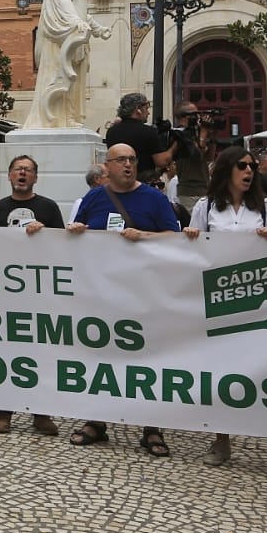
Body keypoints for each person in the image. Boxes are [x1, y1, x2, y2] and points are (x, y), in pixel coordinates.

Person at [184, 146, 267, 476]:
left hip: (259, 295)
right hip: (222, 300)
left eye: (252, 167)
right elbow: (194, 254)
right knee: (224, 373)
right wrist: (191, 236)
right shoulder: (206, 208)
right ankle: (221, 439)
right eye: (242, 166)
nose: (249, 171)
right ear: (226, 170)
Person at [64, 142, 182, 457]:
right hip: (103, 294)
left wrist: (144, 236)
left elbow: (175, 238)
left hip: (145, 295)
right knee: (102, 357)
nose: (128, 164)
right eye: (121, 160)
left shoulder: (155, 199)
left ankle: (151, 428)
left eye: (132, 159)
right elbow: (77, 235)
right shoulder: (94, 198)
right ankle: (97, 421)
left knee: (147, 360)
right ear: (108, 166)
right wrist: (75, 231)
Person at [0, 155, 66, 437]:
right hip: (4, 295)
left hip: (38, 294)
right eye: (18, 169)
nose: (22, 174)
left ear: (35, 178)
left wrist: (47, 233)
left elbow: (62, 247)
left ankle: (41, 414)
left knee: (39, 354)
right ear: (10, 176)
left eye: (28, 170)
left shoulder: (48, 208)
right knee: (6, 353)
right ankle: (3, 411)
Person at [25, 0, 112, 128]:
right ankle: (60, 118)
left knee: (74, 81)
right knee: (63, 77)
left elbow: (80, 10)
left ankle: (69, 117)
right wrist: (75, 22)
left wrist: (98, 28)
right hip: (62, 37)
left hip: (75, 35)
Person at [104, 93, 175, 186]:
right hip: (143, 183)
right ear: (138, 109)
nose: (148, 112)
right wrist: (174, 146)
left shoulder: (111, 131)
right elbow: (161, 162)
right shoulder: (148, 131)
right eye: (146, 108)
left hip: (118, 183)